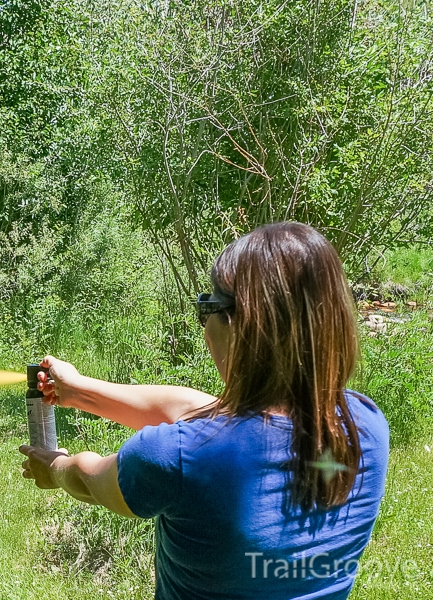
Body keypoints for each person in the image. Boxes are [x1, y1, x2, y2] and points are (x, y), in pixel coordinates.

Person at [19, 221, 389, 599]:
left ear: (240, 325)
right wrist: (80, 390)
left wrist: (54, 467)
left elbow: (89, 479)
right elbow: (212, 417)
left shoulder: (176, 457)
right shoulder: (367, 426)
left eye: (206, 309)